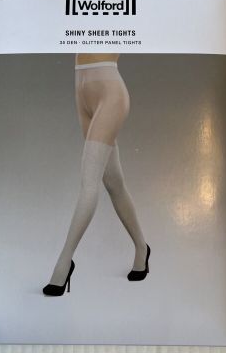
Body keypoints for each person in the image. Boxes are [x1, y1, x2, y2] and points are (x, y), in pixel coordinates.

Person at [43, 53, 150, 296]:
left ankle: (64, 262)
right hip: (81, 92)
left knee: (89, 182)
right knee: (114, 182)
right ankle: (142, 248)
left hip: (110, 94)